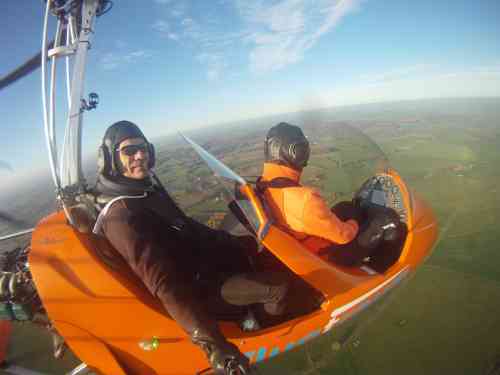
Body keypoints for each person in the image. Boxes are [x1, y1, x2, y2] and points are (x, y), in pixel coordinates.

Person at [93, 121, 288, 375]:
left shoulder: (144, 190)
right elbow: (165, 285)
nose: (140, 155)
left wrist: (227, 241)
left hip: (202, 267)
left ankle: (247, 307)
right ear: (110, 160)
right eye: (129, 151)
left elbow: (184, 226)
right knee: (278, 289)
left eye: (143, 149)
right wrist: (214, 346)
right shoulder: (121, 216)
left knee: (249, 246)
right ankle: (266, 332)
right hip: (196, 292)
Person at [258, 122, 398, 266]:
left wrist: (352, 215)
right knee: (388, 219)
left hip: (302, 245)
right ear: (296, 152)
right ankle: (378, 271)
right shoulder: (304, 199)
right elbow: (344, 236)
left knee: (346, 207)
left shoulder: (263, 184)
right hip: (325, 256)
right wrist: (354, 222)